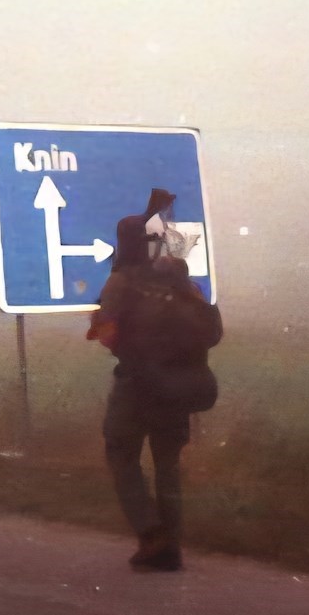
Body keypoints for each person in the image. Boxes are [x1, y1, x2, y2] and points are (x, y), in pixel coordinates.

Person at [87, 188, 223, 573]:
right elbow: (208, 331)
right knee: (168, 464)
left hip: (137, 385)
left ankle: (150, 534)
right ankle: (171, 545)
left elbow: (105, 332)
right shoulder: (182, 282)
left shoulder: (122, 282)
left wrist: (129, 349)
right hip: (178, 387)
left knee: (121, 452)